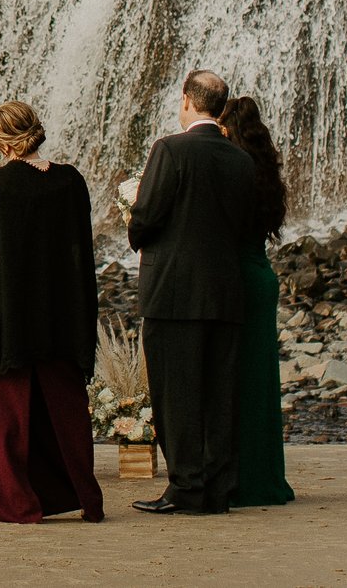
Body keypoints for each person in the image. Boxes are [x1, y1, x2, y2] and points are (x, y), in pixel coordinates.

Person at [0, 101, 104, 524]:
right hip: (62, 315)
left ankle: (17, 504)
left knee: (7, 416)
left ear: (0, 141)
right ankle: (84, 497)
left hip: (7, 317)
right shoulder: (71, 181)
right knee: (66, 411)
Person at [125, 68, 256, 516]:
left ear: (186, 100)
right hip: (225, 291)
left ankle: (185, 488)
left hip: (174, 292)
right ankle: (217, 487)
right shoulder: (241, 159)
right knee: (219, 392)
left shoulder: (171, 149)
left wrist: (134, 225)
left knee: (175, 393)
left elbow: (146, 218)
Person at [218, 95, 295, 508]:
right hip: (261, 275)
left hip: (237, 280)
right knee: (261, 382)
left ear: (226, 129)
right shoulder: (263, 171)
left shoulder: (232, 172)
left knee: (236, 381)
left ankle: (242, 479)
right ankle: (265, 475)